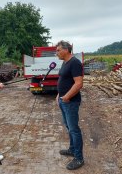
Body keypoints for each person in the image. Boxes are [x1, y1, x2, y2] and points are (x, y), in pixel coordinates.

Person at [55, 40, 84, 170]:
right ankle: (72, 149)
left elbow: (78, 83)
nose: (57, 53)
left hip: (71, 102)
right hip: (63, 100)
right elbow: (64, 80)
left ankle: (79, 158)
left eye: (58, 50)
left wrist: (67, 96)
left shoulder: (75, 63)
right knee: (68, 126)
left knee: (74, 129)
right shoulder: (65, 62)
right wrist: (59, 95)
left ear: (66, 50)